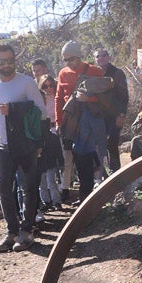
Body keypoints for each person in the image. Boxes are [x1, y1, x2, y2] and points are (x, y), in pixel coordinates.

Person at [0, 42, 48, 252]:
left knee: (29, 188)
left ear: (15, 60)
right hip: (4, 146)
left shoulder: (26, 83)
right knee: (3, 189)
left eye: (10, 60)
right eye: (1, 61)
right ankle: (12, 232)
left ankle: (27, 231)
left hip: (26, 144)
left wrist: (12, 109)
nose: (6, 65)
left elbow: (42, 112)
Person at [54, 41, 103, 203]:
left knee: (87, 158)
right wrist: (59, 121)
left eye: (71, 59)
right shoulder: (63, 74)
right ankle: (86, 197)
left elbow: (106, 98)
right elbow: (59, 99)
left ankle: (87, 198)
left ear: (79, 57)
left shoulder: (95, 71)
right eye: (65, 60)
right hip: (71, 123)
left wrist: (89, 98)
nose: (68, 63)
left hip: (91, 121)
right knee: (77, 159)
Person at [93, 48, 129, 174]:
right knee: (99, 145)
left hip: (114, 115)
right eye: (98, 56)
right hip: (99, 116)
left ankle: (117, 174)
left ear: (108, 57)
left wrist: (121, 115)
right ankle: (104, 174)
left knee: (112, 143)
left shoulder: (117, 73)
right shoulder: (94, 74)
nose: (101, 58)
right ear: (95, 59)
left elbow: (124, 96)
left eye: (103, 55)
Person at [36, 74, 64, 212]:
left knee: (53, 174)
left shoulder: (58, 96)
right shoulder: (39, 100)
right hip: (44, 134)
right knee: (43, 179)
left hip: (56, 130)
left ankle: (59, 196)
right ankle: (46, 201)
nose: (49, 88)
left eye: (51, 85)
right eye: (45, 86)